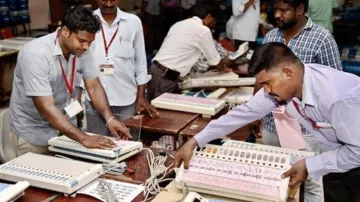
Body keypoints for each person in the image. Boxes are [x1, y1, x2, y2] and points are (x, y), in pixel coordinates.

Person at [175, 42, 360, 202]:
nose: (265, 91)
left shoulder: (337, 99)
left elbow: (357, 151)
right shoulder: (287, 84)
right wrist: (195, 141)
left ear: (287, 72)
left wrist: (311, 165)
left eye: (267, 83)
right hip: (340, 159)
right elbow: (244, 113)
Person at [4, 5, 131, 162]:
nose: (86, 47)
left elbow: (94, 86)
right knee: (38, 184)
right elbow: (46, 106)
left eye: (90, 42)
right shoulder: (36, 54)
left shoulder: (83, 49)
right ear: (65, 31)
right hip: (34, 134)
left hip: (66, 132)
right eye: (82, 41)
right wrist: (83, 138)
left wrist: (110, 118)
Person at [256, 0, 343, 200]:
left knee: (310, 182)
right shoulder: (271, 36)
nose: (277, 15)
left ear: (300, 9)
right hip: (272, 123)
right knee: (272, 177)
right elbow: (261, 77)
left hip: (306, 128)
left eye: (283, 10)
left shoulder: (322, 39)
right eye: (275, 9)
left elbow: (334, 83)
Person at [83, 0, 158, 140]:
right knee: (97, 145)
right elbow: (78, 59)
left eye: (113, 0)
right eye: (104, 0)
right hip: (94, 100)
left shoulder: (133, 22)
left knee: (128, 145)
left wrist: (141, 96)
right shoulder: (86, 20)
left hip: (126, 99)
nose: (109, 4)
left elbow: (140, 61)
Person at [147, 1, 233, 101]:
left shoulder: (180, 24)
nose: (213, 25)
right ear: (209, 17)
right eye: (214, 21)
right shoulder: (203, 30)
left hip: (156, 71)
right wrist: (225, 69)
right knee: (161, 112)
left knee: (154, 109)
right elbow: (215, 61)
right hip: (165, 77)